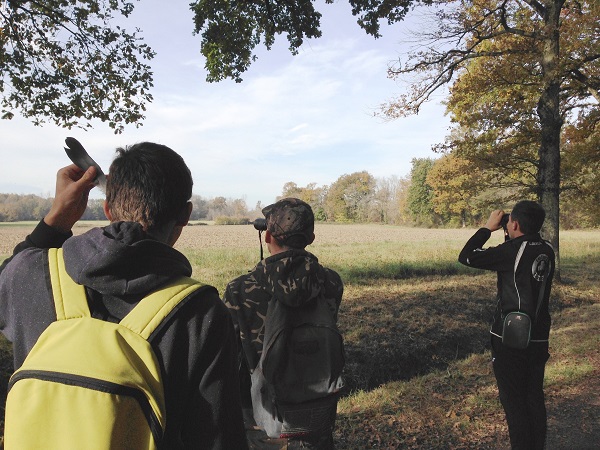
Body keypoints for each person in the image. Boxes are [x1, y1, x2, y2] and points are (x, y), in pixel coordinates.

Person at [0, 142, 248, 450]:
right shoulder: (201, 313)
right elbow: (218, 438)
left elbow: (9, 274)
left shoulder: (30, 275)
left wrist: (57, 219)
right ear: (185, 214)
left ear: (106, 209)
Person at [222, 198, 344, 450]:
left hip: (264, 419)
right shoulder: (331, 283)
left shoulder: (240, 290)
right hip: (316, 413)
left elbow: (232, 361)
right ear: (311, 237)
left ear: (267, 236)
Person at [458, 200, 555, 450]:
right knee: (534, 397)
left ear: (515, 223)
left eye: (509, 222)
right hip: (539, 336)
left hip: (510, 338)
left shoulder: (511, 251)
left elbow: (466, 256)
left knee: (514, 403)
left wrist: (487, 229)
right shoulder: (547, 249)